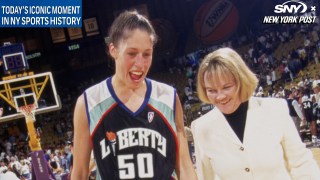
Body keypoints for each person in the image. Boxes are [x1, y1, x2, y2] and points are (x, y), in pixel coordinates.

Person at [71, 10, 196, 180]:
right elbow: (79, 173)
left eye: (147, 54)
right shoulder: (88, 102)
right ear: (113, 50)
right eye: (131, 53)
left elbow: (184, 166)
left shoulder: (168, 97)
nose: (140, 63)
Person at [191, 47, 320, 180]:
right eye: (211, 90)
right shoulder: (201, 128)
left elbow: (301, 164)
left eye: (226, 87)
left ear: (241, 80)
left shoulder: (275, 109)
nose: (220, 96)